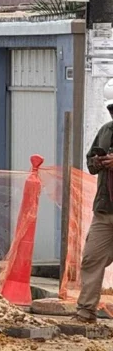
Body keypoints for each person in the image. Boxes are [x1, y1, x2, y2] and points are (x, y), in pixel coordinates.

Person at [75, 79, 113, 323]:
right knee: (91, 258)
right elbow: (90, 163)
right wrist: (97, 162)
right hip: (105, 210)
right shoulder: (106, 130)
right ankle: (85, 311)